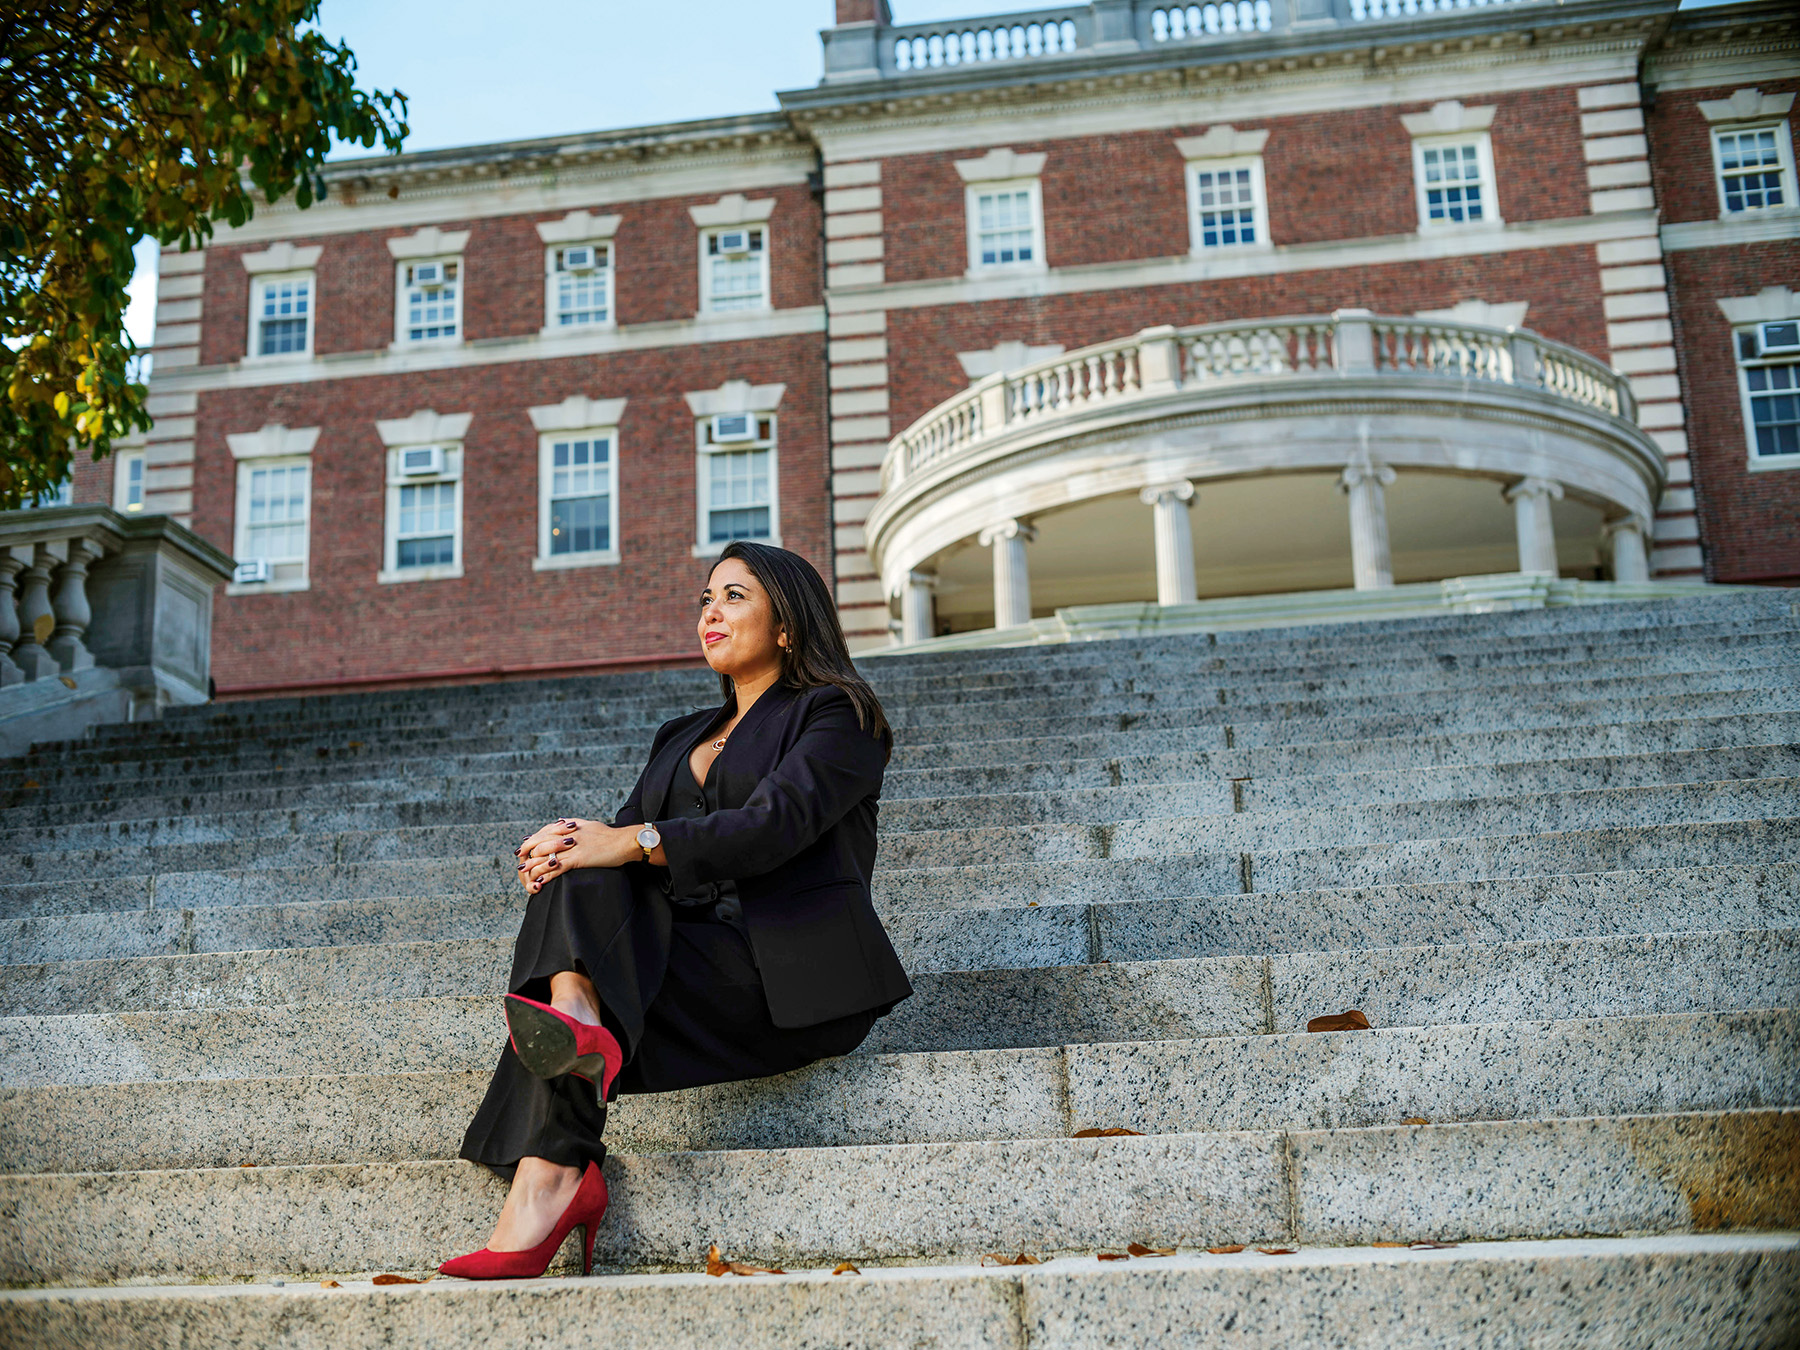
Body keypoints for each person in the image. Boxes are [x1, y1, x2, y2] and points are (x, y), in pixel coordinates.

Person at [439, 540, 913, 1280]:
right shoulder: (679, 736)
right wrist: (563, 845)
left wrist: (625, 840)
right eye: (705, 600)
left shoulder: (839, 716)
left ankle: (557, 1153)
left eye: (733, 597)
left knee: (610, 854)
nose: (710, 613)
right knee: (581, 867)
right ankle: (575, 1037)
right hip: (681, 960)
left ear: (787, 625)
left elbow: (772, 828)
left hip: (780, 975)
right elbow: (619, 853)